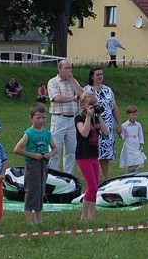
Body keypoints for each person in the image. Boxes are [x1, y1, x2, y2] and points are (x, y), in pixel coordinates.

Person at [14, 103, 56, 225]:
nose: (41, 120)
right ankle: (29, 221)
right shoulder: (29, 133)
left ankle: (39, 219)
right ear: (31, 118)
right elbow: (17, 149)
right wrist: (33, 155)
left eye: (43, 117)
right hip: (32, 165)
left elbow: (54, 148)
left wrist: (49, 154)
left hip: (43, 164)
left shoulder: (47, 133)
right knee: (32, 191)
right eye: (38, 118)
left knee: (41, 190)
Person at [75, 92, 109, 220]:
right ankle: (84, 216)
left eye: (95, 104)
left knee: (95, 187)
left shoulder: (95, 118)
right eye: (91, 104)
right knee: (92, 185)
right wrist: (88, 117)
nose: (93, 107)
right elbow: (84, 133)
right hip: (83, 155)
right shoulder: (78, 118)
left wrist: (99, 116)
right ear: (83, 105)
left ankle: (92, 215)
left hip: (94, 155)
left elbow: (106, 132)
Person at [84, 66, 121, 181]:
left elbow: (114, 107)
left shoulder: (108, 90)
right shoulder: (87, 90)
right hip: (93, 124)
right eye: (97, 75)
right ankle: (94, 176)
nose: (100, 76)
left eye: (101, 74)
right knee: (94, 151)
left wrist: (118, 124)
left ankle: (105, 177)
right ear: (92, 76)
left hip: (108, 124)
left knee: (105, 152)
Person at [47, 59, 83, 175]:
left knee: (71, 150)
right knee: (56, 148)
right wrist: (72, 98)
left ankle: (68, 175)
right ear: (59, 69)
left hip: (72, 119)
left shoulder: (73, 82)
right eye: (65, 68)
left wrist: (72, 80)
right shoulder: (53, 82)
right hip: (59, 119)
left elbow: (81, 94)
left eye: (70, 68)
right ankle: (53, 174)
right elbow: (57, 98)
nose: (68, 71)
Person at [119, 105, 146, 172]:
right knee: (130, 161)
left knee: (137, 160)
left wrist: (141, 143)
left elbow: (140, 135)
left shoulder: (138, 125)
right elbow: (123, 137)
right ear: (128, 115)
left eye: (136, 115)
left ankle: (134, 172)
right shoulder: (124, 125)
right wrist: (119, 133)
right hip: (129, 145)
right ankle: (130, 173)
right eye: (133, 115)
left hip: (136, 144)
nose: (135, 116)